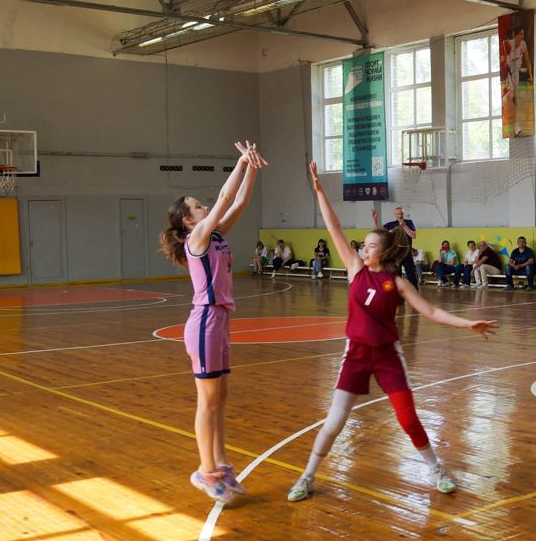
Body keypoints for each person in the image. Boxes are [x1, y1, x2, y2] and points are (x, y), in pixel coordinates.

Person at [287, 162, 497, 502]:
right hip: (355, 355)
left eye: (369, 246)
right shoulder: (355, 271)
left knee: (408, 419)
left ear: (382, 252)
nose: (362, 249)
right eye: (363, 246)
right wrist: (320, 191)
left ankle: (435, 469)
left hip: (387, 357)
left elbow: (430, 311)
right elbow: (334, 227)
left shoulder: (396, 282)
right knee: (334, 421)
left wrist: (468, 323)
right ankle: (307, 476)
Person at [158, 141, 267, 504]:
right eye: (198, 206)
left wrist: (252, 167)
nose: (205, 207)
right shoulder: (198, 238)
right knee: (207, 400)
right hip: (204, 321)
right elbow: (224, 197)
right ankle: (205, 471)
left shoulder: (216, 234)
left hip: (220, 321)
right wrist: (238, 162)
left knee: (221, 398)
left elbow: (239, 204)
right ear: (189, 220)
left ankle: (220, 464)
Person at [372, 206, 418, 288]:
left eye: (401, 213)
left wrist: (404, 226)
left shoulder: (409, 222)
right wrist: (375, 221)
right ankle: (398, 293)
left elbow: (413, 235)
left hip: (407, 252)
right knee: (396, 274)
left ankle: (415, 292)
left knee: (411, 275)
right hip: (396, 253)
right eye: (397, 214)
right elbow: (379, 231)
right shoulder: (391, 224)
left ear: (403, 214)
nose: (399, 215)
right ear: (395, 215)